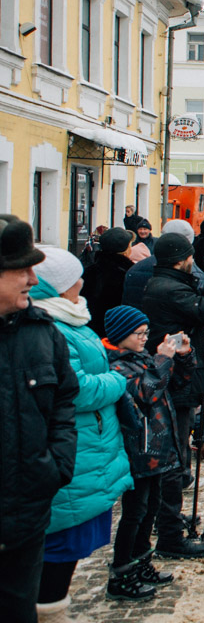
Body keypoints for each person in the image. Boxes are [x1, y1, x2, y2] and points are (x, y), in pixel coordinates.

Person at [30, 249, 132, 619]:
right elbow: (77, 389)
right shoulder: (53, 326)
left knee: (64, 549)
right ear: (58, 286)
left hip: (89, 445)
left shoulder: (68, 316)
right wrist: (117, 379)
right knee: (56, 549)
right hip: (75, 447)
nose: (82, 282)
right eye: (74, 278)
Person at [0, 217, 79, 623]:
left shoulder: (41, 332)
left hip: (26, 517)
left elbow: (64, 400)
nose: (33, 279)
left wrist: (55, 464)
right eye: (22, 270)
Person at [142, 233, 204, 560]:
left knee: (176, 454)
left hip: (177, 377)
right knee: (175, 457)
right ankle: (169, 533)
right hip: (177, 382)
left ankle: (166, 518)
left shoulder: (165, 283)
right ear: (182, 259)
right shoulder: (169, 289)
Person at [104, 306, 191, 602]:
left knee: (150, 506)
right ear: (120, 335)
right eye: (137, 333)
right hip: (138, 451)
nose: (144, 338)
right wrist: (163, 358)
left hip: (156, 449)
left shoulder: (140, 358)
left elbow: (176, 384)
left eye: (145, 332)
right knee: (134, 512)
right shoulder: (116, 366)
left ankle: (142, 562)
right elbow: (146, 392)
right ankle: (121, 572)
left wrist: (181, 357)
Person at [81, 227, 135, 337]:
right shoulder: (128, 274)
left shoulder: (88, 271)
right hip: (117, 333)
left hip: (88, 332)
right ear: (125, 250)